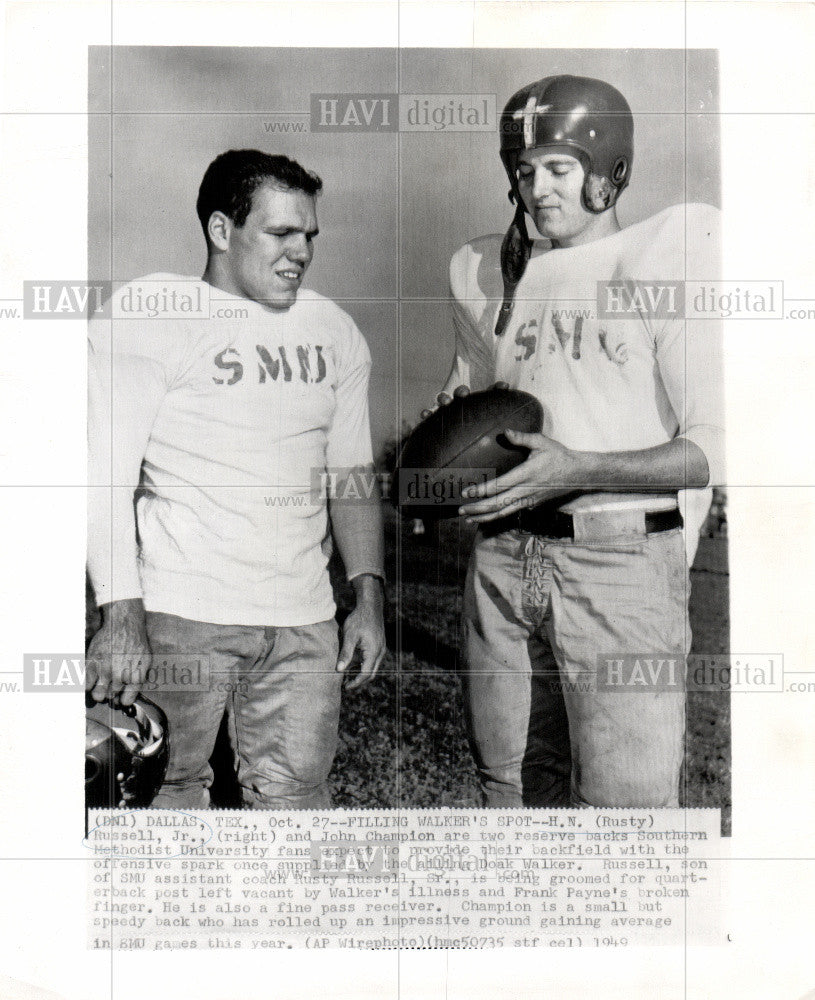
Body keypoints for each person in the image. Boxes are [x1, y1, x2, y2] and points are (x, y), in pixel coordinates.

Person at [431, 75, 725, 808]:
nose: (538, 189)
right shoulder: (483, 274)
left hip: (617, 557)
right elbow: (470, 394)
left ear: (608, 171)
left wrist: (577, 468)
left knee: (624, 810)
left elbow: (710, 449)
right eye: (524, 172)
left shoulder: (664, 252)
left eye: (559, 168)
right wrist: (449, 425)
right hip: (501, 555)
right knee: (510, 788)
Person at [86, 149, 386, 809]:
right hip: (183, 612)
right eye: (280, 232)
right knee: (166, 799)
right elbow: (103, 477)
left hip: (304, 620)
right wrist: (121, 616)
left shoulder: (332, 329)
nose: (300, 251)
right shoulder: (152, 312)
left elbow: (352, 474)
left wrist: (367, 596)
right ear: (222, 231)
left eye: (308, 235)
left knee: (298, 803)